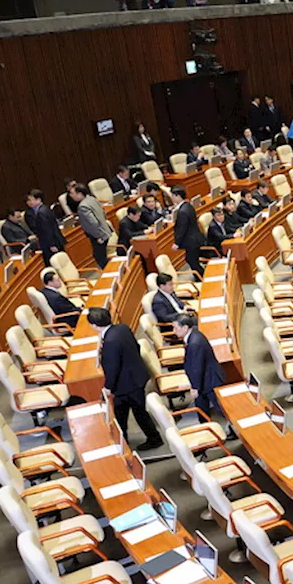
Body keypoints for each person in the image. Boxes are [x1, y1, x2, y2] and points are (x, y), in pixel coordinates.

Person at [91, 307, 162, 450]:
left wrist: (108, 387)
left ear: (94, 325)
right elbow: (135, 347)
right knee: (133, 412)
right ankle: (129, 441)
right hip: (136, 376)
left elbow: (113, 368)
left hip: (126, 384)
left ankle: (148, 440)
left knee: (130, 413)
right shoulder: (122, 328)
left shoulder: (110, 341)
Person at [172, 313, 225, 416]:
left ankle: (233, 427)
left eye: (176, 328)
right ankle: (204, 421)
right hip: (204, 378)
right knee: (202, 405)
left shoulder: (195, 343)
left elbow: (197, 367)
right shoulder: (194, 334)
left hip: (209, 379)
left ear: (185, 327)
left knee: (221, 407)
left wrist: (195, 387)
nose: (174, 331)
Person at [72, 183, 113, 267]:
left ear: (79, 194)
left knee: (100, 258)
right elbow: (103, 212)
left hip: (98, 234)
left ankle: (112, 274)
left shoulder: (82, 206)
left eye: (73, 193)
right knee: (101, 255)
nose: (72, 196)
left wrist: (98, 236)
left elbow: (93, 222)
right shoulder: (92, 199)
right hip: (105, 230)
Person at [169, 186, 206, 274]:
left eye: (173, 195)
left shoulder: (182, 212)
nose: (172, 197)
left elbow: (182, 228)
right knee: (193, 260)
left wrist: (177, 243)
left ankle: (202, 276)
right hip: (196, 238)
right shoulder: (188, 205)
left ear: (177, 196)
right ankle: (200, 276)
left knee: (191, 260)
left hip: (190, 241)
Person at [25, 189, 65, 256]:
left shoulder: (41, 213)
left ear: (38, 199)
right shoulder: (45, 208)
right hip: (56, 241)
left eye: (31, 199)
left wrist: (51, 245)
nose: (29, 202)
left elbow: (46, 230)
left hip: (50, 244)